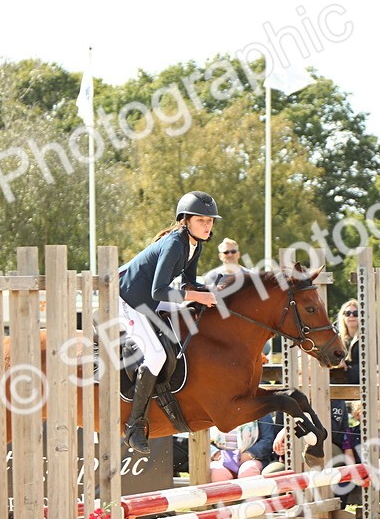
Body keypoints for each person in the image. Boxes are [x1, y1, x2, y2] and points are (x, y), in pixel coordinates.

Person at [117, 191, 220, 453]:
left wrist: (215, 291)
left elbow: (189, 284)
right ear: (185, 221)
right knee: (155, 355)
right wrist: (198, 294)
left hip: (147, 299)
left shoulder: (195, 244)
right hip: (126, 300)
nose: (207, 226)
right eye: (201, 221)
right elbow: (159, 292)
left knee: (189, 313)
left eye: (210, 221)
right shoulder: (175, 243)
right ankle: (133, 425)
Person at [209, 414, 277, 481]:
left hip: (253, 458)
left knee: (248, 471)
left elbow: (268, 439)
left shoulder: (261, 409)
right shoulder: (212, 409)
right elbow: (202, 438)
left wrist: (249, 454)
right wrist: (216, 454)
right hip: (220, 458)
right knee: (218, 473)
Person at [332, 300, 362, 385]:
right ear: (343, 317)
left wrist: (347, 369)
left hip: (360, 382)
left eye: (356, 313)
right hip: (339, 382)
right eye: (347, 313)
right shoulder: (336, 338)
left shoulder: (367, 337)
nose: (351, 316)